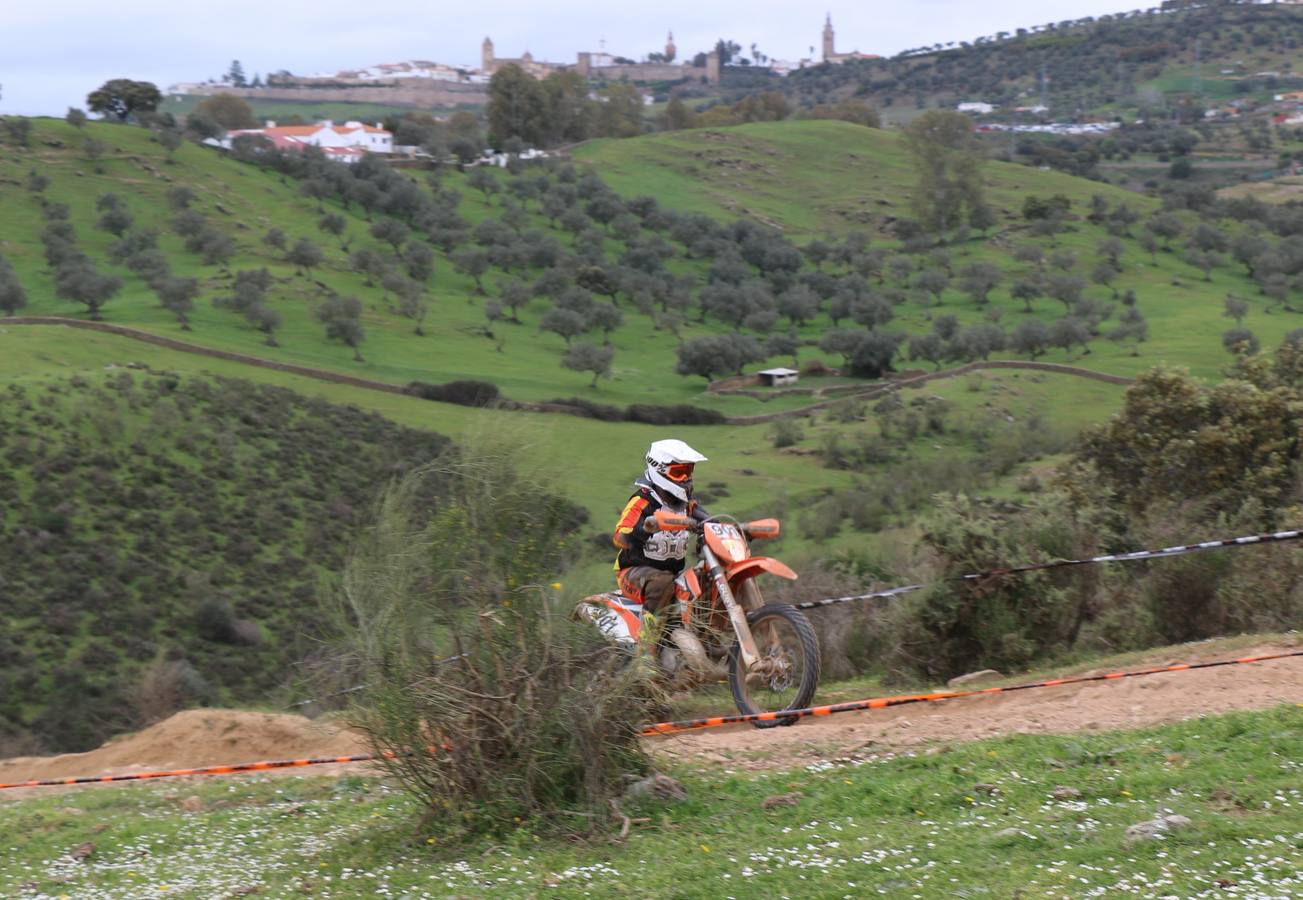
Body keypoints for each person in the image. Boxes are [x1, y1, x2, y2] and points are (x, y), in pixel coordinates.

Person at [612, 439, 709, 614]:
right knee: (662, 583)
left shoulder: (685, 504)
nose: (686, 479)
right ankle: (647, 638)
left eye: (689, 472)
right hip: (632, 573)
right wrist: (645, 529)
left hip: (673, 574)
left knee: (707, 579)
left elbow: (709, 520)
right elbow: (619, 537)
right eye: (679, 473)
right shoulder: (642, 502)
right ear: (660, 471)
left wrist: (730, 529)